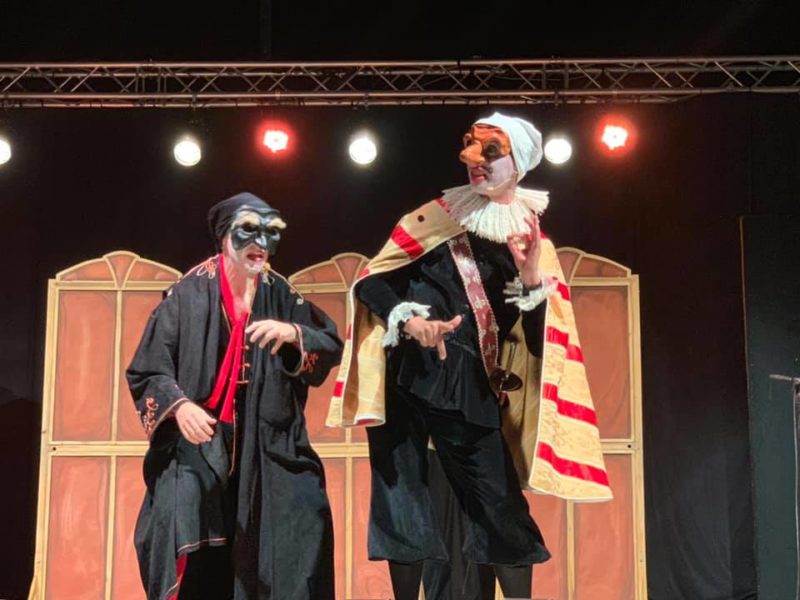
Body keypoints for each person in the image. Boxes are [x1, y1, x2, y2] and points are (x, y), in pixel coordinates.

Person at [327, 113, 612, 600]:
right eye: (468, 145)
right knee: (401, 501)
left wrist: (530, 282)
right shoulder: (434, 217)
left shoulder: (529, 240)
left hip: (469, 383)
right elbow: (372, 282)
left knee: (500, 508)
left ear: (518, 165)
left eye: (490, 151)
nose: (471, 158)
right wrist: (407, 320)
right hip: (407, 374)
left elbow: (541, 343)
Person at [128, 192, 343, 600]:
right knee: (180, 510)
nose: (260, 244)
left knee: (306, 513)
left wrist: (293, 333)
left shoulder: (280, 292)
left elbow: (329, 343)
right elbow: (148, 368)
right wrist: (180, 406)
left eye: (268, 234)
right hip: (201, 439)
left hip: (269, 440)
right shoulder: (188, 293)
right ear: (225, 237)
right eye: (249, 232)